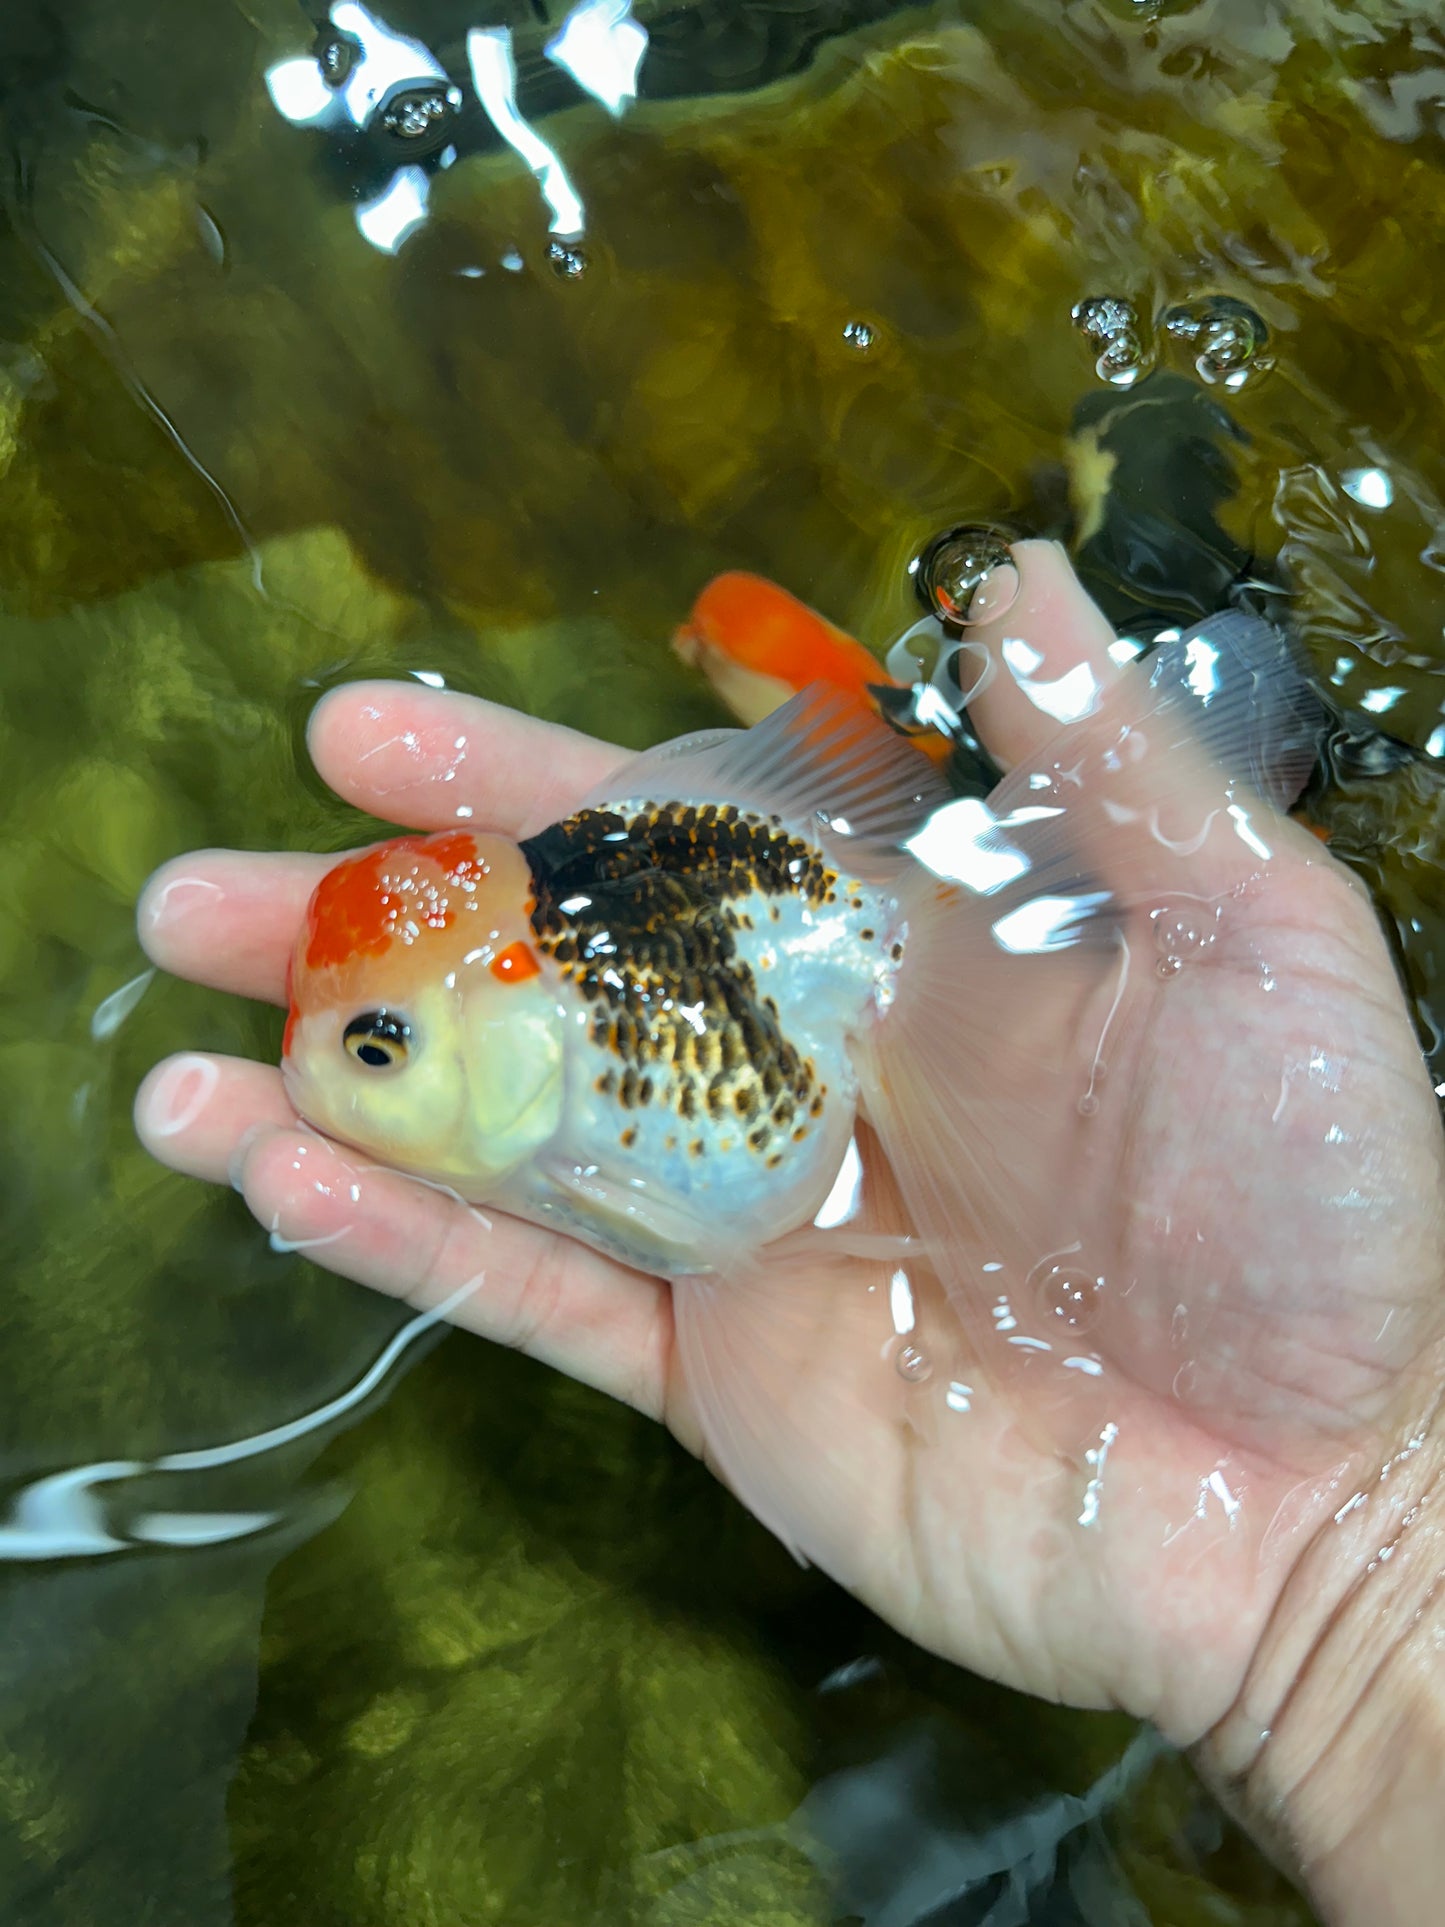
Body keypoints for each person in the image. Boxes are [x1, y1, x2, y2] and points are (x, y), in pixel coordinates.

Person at [134, 544, 1444, 1924]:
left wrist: (1357, 1578)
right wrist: (1351, 1601)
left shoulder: (775, 984)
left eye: (378, 1050)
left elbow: (711, 1250)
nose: (334, 1074)